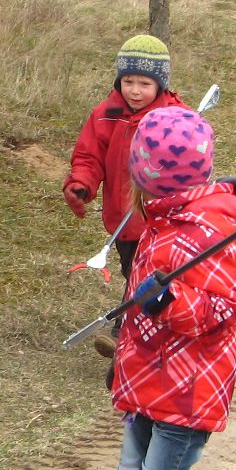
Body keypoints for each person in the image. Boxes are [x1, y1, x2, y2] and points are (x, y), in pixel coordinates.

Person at [110, 105, 236, 470]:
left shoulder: (209, 231)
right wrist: (124, 355)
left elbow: (220, 310)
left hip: (191, 384)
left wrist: (166, 303)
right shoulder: (162, 218)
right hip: (148, 376)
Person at [62, 34, 186, 356]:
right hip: (123, 219)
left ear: (160, 84)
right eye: (128, 81)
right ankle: (157, 331)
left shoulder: (175, 118)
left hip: (161, 219)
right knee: (132, 270)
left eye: (144, 83)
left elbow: (192, 161)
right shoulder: (106, 115)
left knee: (146, 274)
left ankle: (125, 334)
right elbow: (89, 157)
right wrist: (81, 184)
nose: (134, 90)